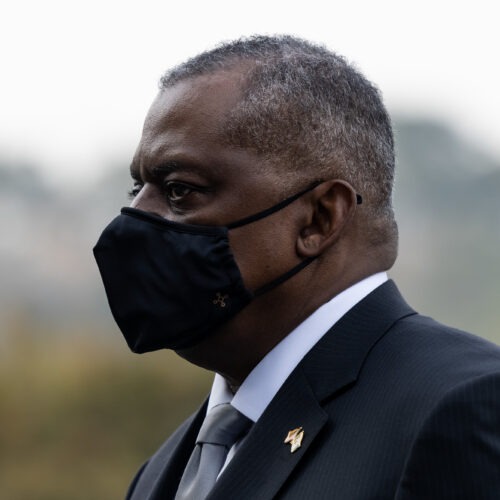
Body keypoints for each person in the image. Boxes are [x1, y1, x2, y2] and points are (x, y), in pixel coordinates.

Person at [93, 35, 500, 499]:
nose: (136, 221)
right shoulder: (162, 473)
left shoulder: (462, 407)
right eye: (136, 190)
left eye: (181, 190)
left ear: (319, 218)